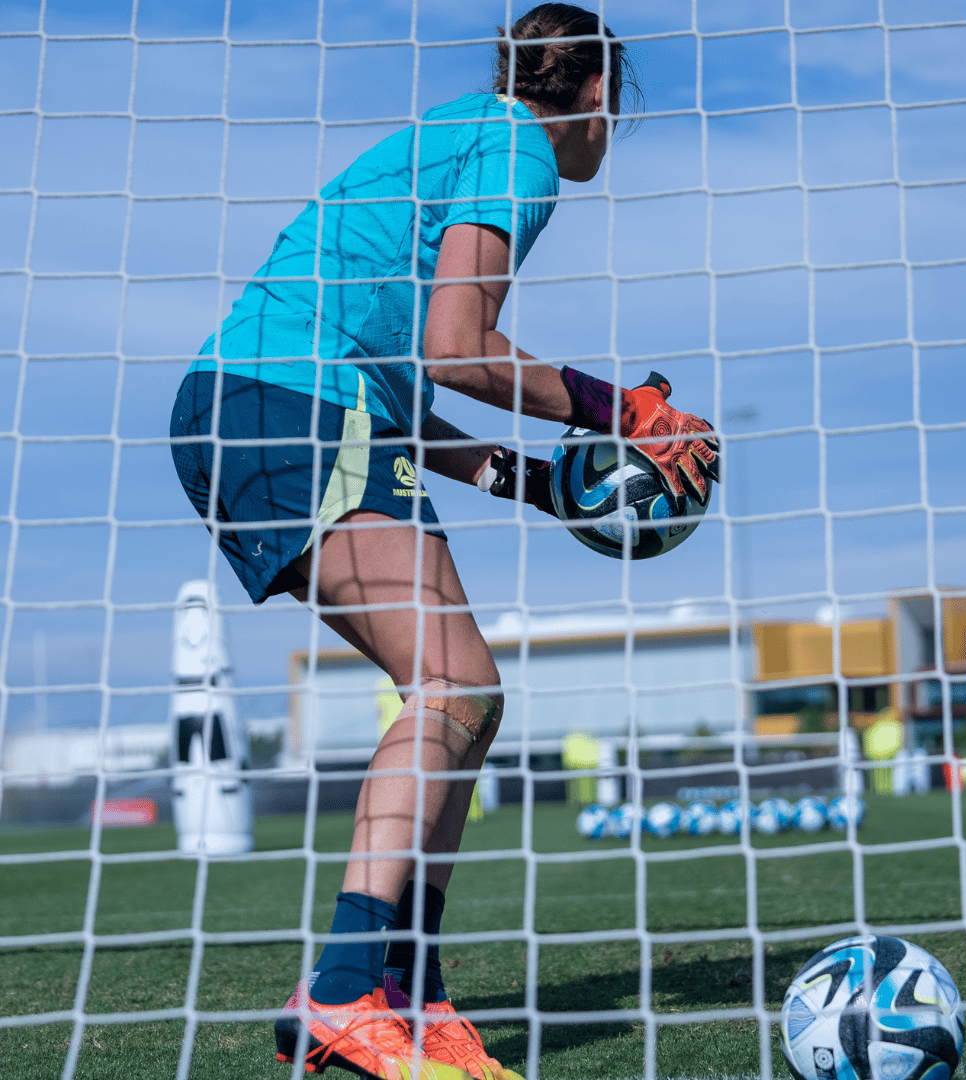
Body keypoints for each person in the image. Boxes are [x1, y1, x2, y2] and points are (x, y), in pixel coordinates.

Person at [170, 4, 718, 1078]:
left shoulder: (455, 133)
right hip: (288, 405)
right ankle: (339, 992)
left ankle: (408, 995)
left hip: (280, 405)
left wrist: (531, 478)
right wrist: (621, 413)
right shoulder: (522, 149)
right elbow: (462, 350)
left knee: (472, 693)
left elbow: (412, 382)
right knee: (449, 687)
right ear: (598, 98)